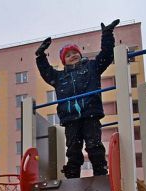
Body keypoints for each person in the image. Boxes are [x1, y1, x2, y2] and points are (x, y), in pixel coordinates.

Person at [35, 19, 120, 178]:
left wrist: (107, 34)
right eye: (68, 55)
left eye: (74, 53)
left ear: (80, 55)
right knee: (73, 148)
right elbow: (46, 71)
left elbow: (107, 55)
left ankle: (100, 174)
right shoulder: (60, 77)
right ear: (63, 60)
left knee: (94, 145)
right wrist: (40, 55)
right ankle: (72, 176)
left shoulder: (92, 68)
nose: (72, 56)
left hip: (90, 114)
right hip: (71, 118)